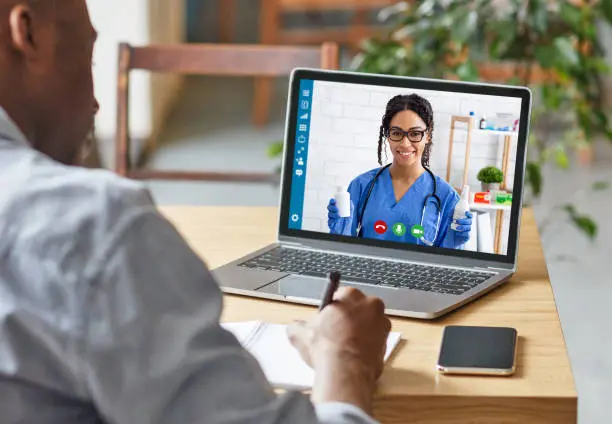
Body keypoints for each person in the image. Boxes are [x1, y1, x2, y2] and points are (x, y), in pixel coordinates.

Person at [0, 1, 391, 423]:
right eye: (88, 55)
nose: (95, 103)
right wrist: (347, 358)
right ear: (30, 33)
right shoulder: (93, 227)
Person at [327, 94, 473, 249]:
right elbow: (344, 251)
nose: (405, 143)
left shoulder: (447, 197)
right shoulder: (361, 186)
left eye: (415, 134)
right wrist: (338, 234)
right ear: (387, 135)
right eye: (396, 133)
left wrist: (455, 243)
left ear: (428, 136)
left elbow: (447, 263)